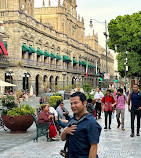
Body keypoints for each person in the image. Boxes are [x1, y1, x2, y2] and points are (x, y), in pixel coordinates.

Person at [60, 92, 101, 158]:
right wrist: (65, 131)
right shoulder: (72, 120)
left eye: (76, 103)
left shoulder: (91, 123)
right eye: (71, 104)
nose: (73, 106)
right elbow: (62, 138)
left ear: (84, 103)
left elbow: (94, 147)